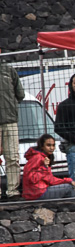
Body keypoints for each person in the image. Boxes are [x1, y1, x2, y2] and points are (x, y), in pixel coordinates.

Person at [0, 49, 26, 200]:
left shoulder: (9, 70)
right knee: (11, 158)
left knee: (13, 157)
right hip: (10, 119)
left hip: (10, 120)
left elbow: (20, 94)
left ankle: (13, 191)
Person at [22, 134, 75, 201]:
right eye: (48, 145)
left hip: (39, 191)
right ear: (42, 146)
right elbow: (32, 179)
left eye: (53, 145)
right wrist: (44, 167)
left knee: (69, 186)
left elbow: (50, 180)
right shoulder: (37, 158)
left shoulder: (44, 157)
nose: (51, 148)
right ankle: (74, 205)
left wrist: (69, 181)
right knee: (70, 188)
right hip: (36, 193)